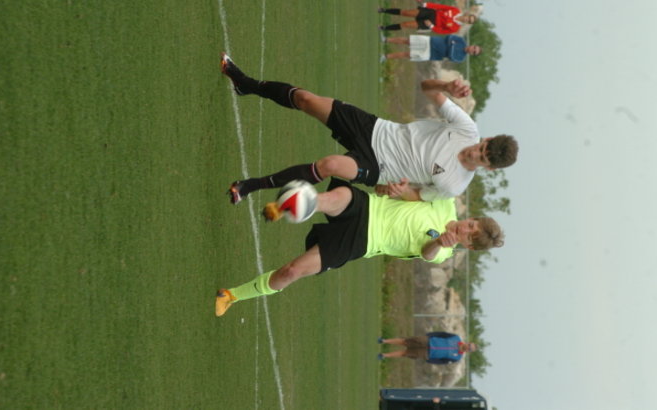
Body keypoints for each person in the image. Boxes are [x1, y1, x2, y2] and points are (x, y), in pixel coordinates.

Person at [220, 53, 518, 204]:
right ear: (487, 138)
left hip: (378, 167)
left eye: (482, 158)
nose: (474, 153)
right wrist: (446, 86)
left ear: (488, 168)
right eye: (482, 147)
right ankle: (245, 84)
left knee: (329, 165)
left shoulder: (454, 186)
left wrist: (398, 191)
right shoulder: (467, 127)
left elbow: (418, 196)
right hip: (376, 130)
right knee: (306, 100)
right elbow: (427, 88)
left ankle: (249, 187)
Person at [215, 179, 504, 317]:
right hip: (367, 206)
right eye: (471, 224)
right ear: (471, 219)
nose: (465, 229)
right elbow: (412, 193)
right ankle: (285, 207)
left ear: (468, 245)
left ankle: (231, 295)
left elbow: (428, 252)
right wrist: (397, 188)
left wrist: (440, 241)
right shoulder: (445, 202)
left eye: (469, 235)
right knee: (330, 199)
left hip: (363, 242)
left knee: (291, 272)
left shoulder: (443, 252)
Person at [378, 2, 477, 34]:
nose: (467, 19)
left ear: (467, 23)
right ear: (467, 15)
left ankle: (384, 28)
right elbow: (441, 7)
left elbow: (441, 31)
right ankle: (384, 10)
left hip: (430, 23)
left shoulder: (455, 28)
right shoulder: (455, 10)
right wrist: (427, 5)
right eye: (468, 18)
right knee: (406, 13)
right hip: (430, 13)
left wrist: (431, 26)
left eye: (469, 21)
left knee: (406, 24)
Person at [377, 332, 477, 363]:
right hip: (427, 341)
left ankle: (384, 355)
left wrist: (430, 360)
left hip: (427, 354)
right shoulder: (455, 337)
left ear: (469, 352)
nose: (468, 347)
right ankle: (384, 341)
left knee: (405, 353)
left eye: (470, 349)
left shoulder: (456, 358)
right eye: (469, 345)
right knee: (405, 342)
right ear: (468, 343)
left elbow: (442, 361)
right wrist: (429, 335)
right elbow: (441, 334)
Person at [382, 34, 481, 62]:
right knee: (408, 41)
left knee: (407, 54)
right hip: (431, 41)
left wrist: (451, 45)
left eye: (474, 52)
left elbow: (451, 56)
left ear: (472, 54)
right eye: (474, 48)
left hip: (430, 54)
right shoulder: (461, 40)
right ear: (473, 45)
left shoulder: (461, 58)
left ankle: (385, 56)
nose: (472, 50)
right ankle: (386, 39)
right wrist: (451, 45)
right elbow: (449, 37)